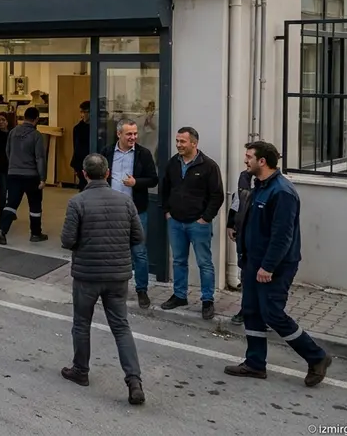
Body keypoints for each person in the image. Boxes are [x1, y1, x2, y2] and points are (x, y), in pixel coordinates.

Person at [224, 141, 331, 387]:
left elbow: (282, 236)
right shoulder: (259, 186)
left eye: (249, 157)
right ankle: (254, 363)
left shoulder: (282, 192)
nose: (245, 160)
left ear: (262, 161)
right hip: (252, 262)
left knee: (272, 313)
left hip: (274, 267)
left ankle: (317, 357)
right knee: (251, 310)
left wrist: (268, 267)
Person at [59, 153, 146, 406]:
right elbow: (138, 237)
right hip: (117, 275)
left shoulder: (77, 202)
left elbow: (67, 240)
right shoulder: (125, 201)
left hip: (87, 274)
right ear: (107, 173)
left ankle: (80, 370)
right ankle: (134, 380)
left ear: (84, 174)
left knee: (81, 323)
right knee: (121, 327)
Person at [159, 126, 224, 319]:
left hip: (198, 224)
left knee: (204, 263)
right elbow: (165, 189)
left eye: (182, 141)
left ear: (194, 143)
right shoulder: (173, 163)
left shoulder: (209, 166)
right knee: (179, 261)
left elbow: (217, 195)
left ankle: (207, 300)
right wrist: (167, 211)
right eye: (177, 141)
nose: (178, 144)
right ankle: (180, 296)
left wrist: (205, 218)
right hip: (175, 222)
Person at [99, 119, 159, 309]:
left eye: (135, 133)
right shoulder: (107, 152)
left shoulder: (143, 154)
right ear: (119, 134)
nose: (133, 137)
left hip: (136, 210)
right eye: (129, 134)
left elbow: (153, 179)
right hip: (111, 210)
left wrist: (136, 183)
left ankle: (142, 290)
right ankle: (112, 288)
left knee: (139, 252)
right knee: (111, 250)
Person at [1, 106, 49, 244]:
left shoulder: (13, 132)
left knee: (11, 203)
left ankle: (2, 230)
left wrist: (14, 165)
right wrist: (42, 178)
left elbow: (7, 151)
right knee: (35, 205)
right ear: (36, 119)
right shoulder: (36, 135)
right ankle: (35, 234)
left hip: (13, 174)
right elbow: (40, 158)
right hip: (31, 176)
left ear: (24, 117)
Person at [227, 167, 255, 326]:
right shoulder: (244, 177)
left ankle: (266, 314)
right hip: (243, 235)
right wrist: (230, 224)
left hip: (259, 237)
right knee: (245, 275)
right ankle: (246, 309)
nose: (246, 161)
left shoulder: (275, 184)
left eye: (249, 157)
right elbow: (237, 201)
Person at [70, 101, 91, 189]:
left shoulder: (97, 128)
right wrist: (76, 167)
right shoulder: (77, 128)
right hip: (81, 164)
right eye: (81, 112)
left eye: (84, 112)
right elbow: (76, 147)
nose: (82, 115)